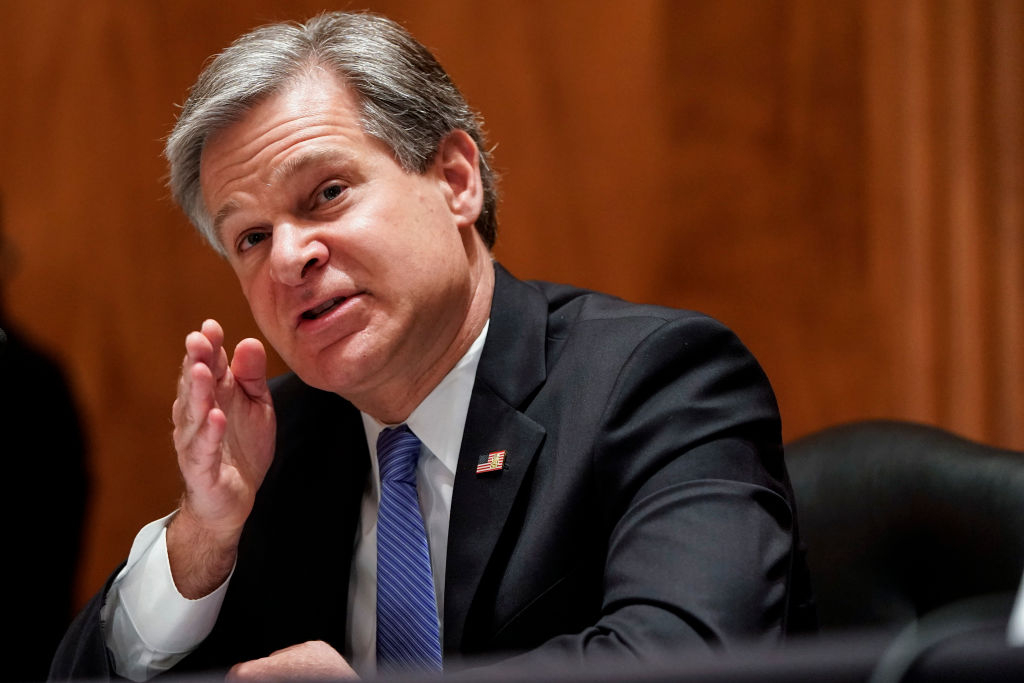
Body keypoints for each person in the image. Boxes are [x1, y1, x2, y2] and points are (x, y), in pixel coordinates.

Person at [51, 11, 812, 681]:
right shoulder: (272, 445)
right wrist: (202, 538)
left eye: (327, 193)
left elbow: (689, 655)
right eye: (250, 236)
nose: (289, 257)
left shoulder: (656, 382)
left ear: (455, 179)